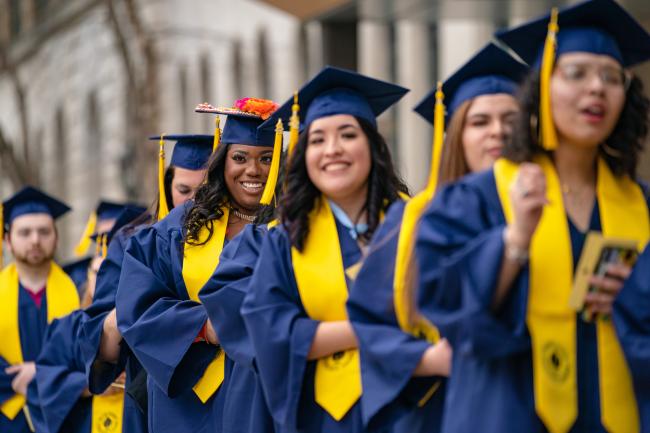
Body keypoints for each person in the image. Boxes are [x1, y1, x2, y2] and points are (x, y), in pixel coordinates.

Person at [416, 0, 650, 431]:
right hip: (507, 412)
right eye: (576, 73)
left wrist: (635, 294)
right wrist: (514, 241)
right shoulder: (476, 198)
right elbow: (442, 303)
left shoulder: (642, 204)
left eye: (611, 77)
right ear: (541, 86)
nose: (597, 88)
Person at [346, 42, 527, 433]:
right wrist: (426, 359)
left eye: (510, 118)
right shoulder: (413, 219)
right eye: (480, 121)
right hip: (443, 401)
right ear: (456, 134)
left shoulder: (558, 203)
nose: (498, 131)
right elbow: (369, 319)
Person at [241, 66, 410, 433]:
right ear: (304, 154)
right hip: (321, 418)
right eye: (317, 140)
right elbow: (269, 333)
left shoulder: (415, 226)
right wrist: (370, 333)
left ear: (373, 145)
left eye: (347, 135)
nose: (332, 150)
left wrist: (323, 334)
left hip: (412, 408)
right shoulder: (283, 240)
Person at [116, 97, 280, 433]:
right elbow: (138, 304)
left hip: (265, 393)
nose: (253, 170)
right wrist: (204, 328)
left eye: (267, 158)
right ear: (222, 161)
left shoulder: (294, 226)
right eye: (240, 157)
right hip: (189, 402)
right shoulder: (180, 227)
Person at [78, 135, 212, 433]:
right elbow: (103, 325)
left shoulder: (236, 236)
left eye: (204, 189)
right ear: (167, 186)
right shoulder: (133, 240)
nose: (193, 201)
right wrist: (131, 316)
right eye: (183, 190)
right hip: (155, 388)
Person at [33, 205, 145, 433]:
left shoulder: (150, 323)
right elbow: (45, 380)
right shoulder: (68, 327)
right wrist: (89, 384)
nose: (106, 279)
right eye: (98, 271)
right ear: (88, 274)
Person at [0, 186, 79, 432]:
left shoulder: (78, 292)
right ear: (7, 241)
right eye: (25, 232)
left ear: (56, 237)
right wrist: (20, 379)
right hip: (7, 417)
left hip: (66, 414)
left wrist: (40, 374)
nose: (35, 240)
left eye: (43, 231)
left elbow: (86, 355)